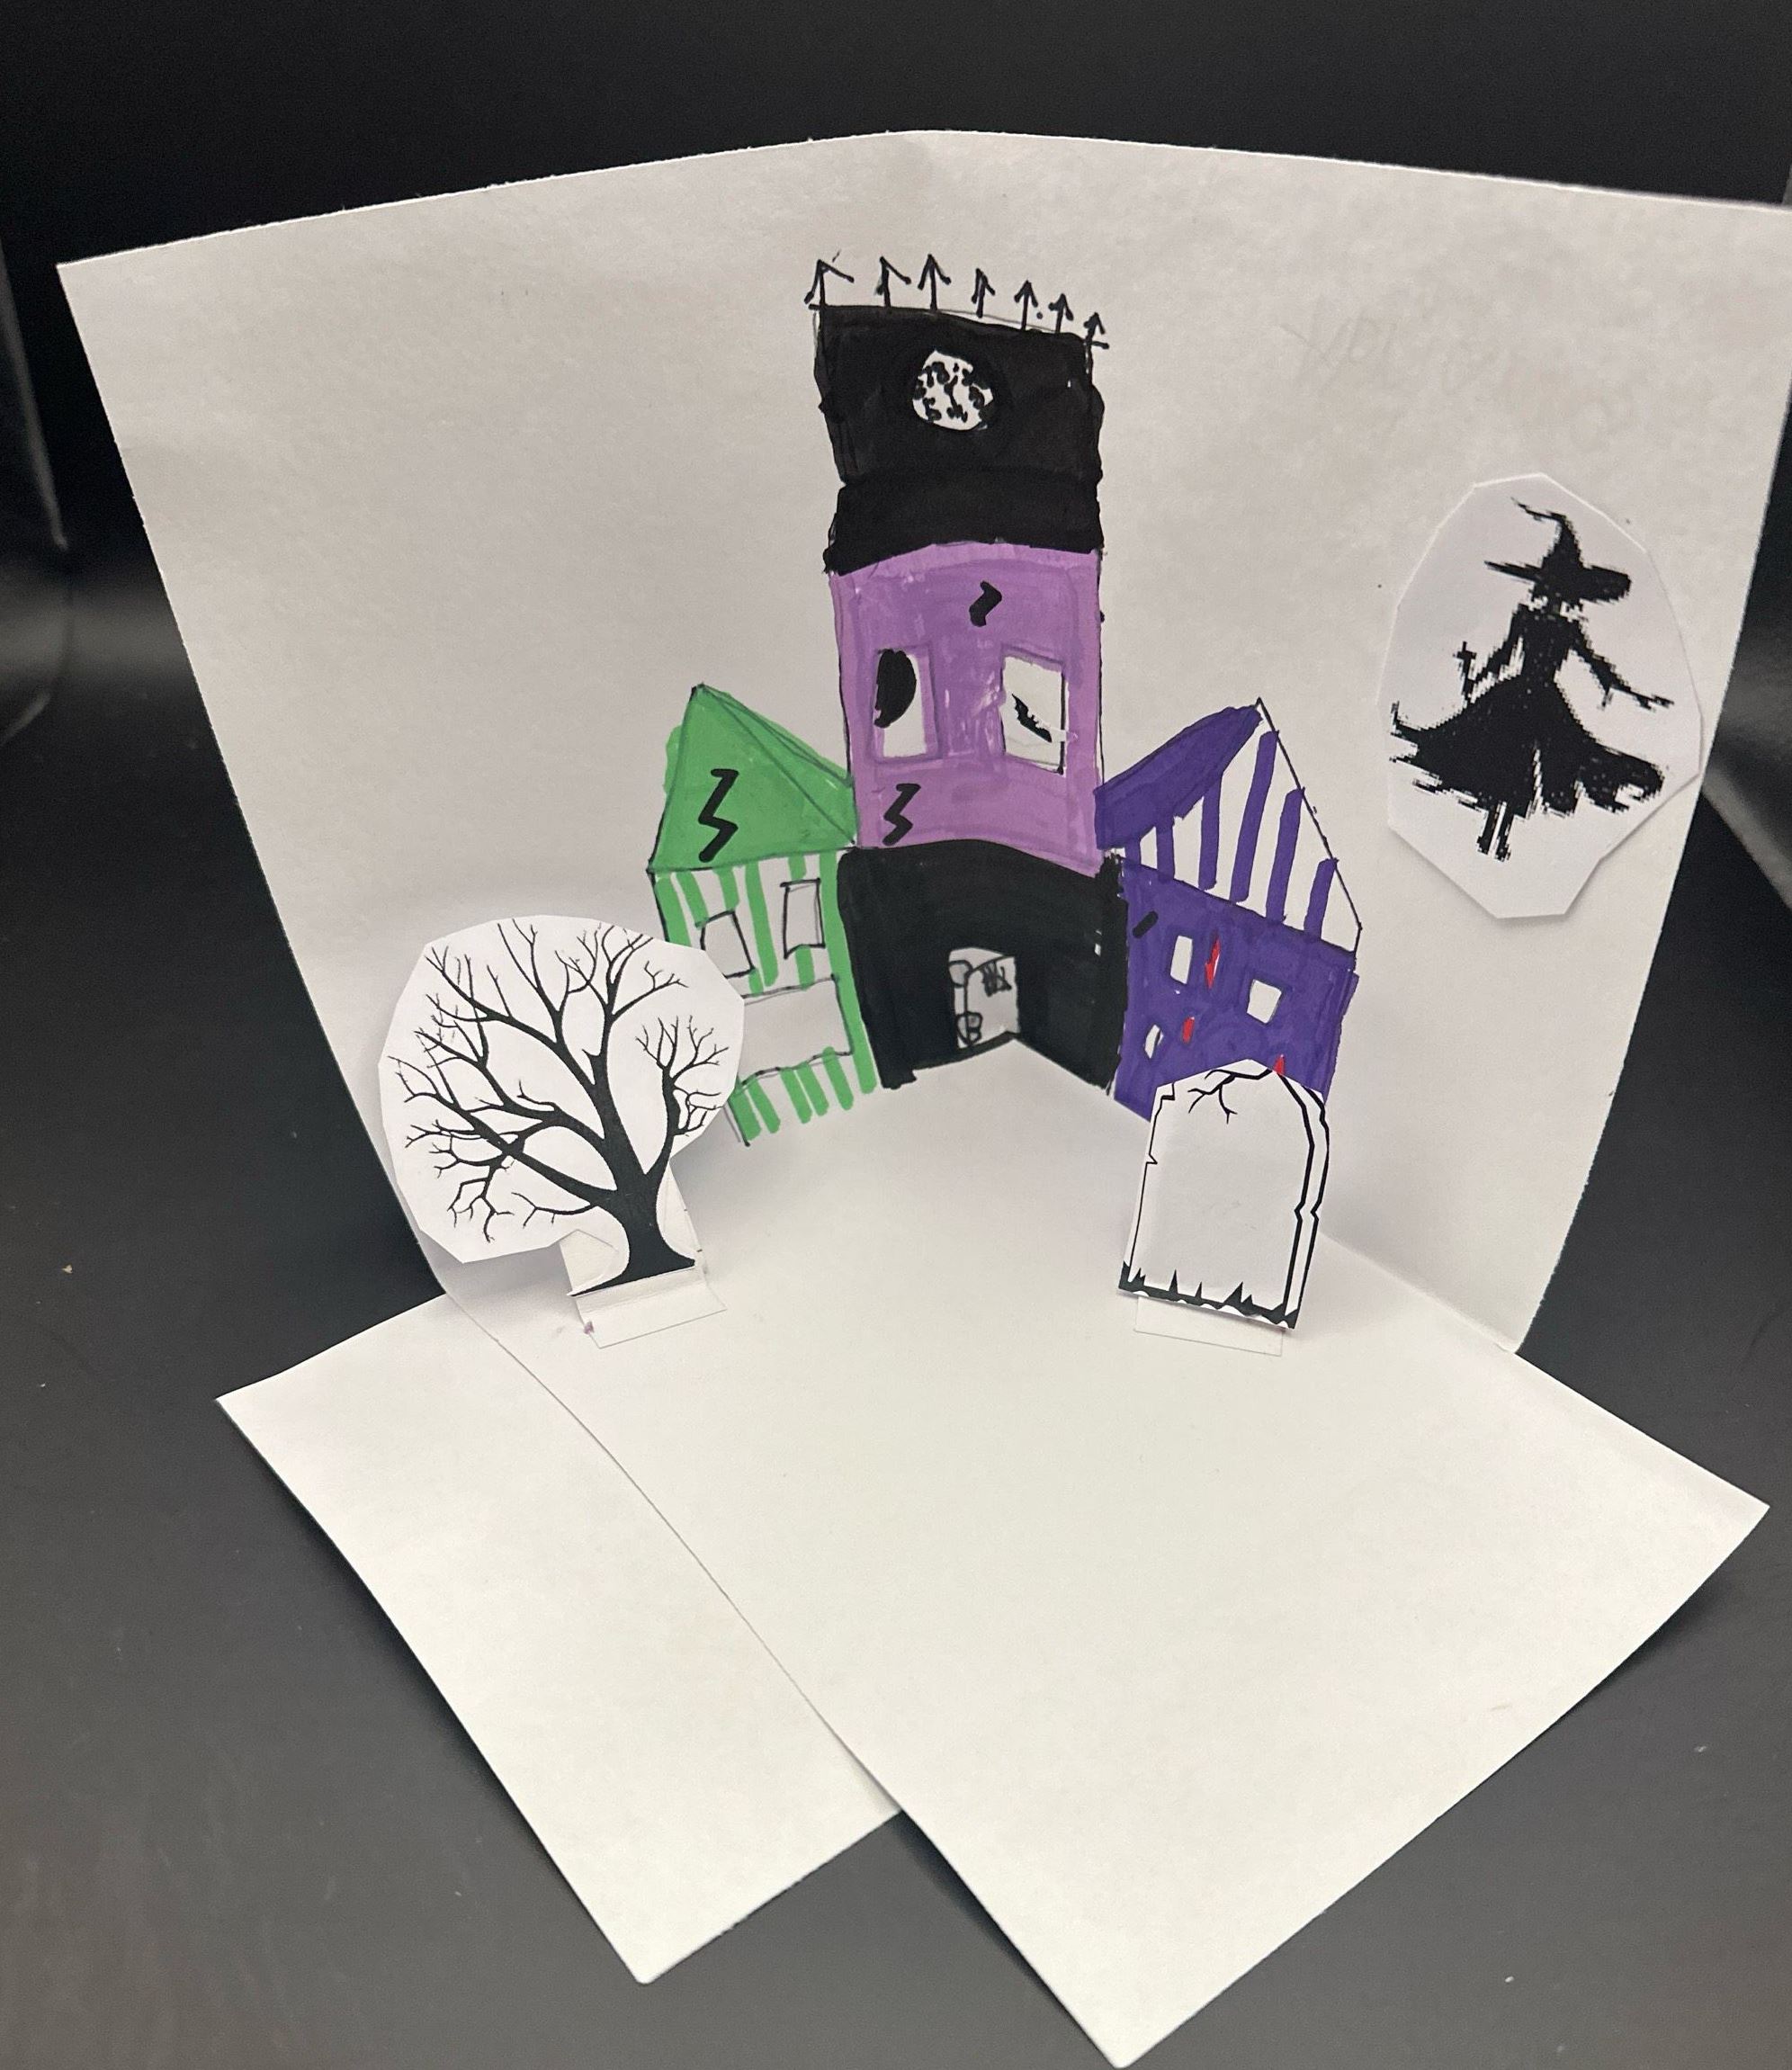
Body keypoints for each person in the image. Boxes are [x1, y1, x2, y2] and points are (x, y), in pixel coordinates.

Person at [1393, 504, 1669, 860]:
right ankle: (1491, 837)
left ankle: (1497, 839)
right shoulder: (1527, 618)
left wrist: (1629, 692)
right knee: (1501, 757)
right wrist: (1479, 676)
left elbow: (1595, 665)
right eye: (1551, 591)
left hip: (1537, 698)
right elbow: (1505, 653)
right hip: (1520, 694)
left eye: (1561, 593)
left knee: (1525, 765)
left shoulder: (1568, 629)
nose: (1554, 598)